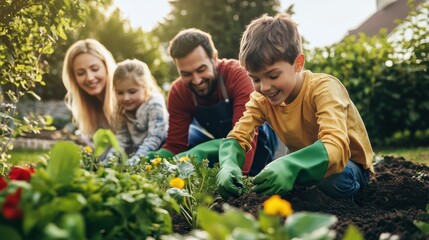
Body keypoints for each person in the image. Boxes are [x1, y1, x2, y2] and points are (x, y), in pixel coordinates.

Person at [216, 13, 374, 200]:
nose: (264, 87)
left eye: (273, 76)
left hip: (348, 168)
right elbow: (240, 134)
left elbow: (336, 146)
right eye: (255, 79)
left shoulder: (323, 88)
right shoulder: (261, 100)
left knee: (330, 180)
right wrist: (228, 164)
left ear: (298, 63)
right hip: (302, 165)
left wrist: (289, 165)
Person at [150, 28, 278, 176]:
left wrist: (238, 177)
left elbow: (245, 134)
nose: (196, 80)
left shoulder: (238, 75)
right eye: (186, 74)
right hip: (220, 141)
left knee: (257, 126)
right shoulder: (179, 92)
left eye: (201, 69)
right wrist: (147, 160)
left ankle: (252, 173)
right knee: (191, 134)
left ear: (214, 57)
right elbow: (175, 145)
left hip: (255, 140)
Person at [112, 59, 168, 165]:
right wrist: (108, 161)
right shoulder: (122, 109)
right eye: (120, 92)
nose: (126, 98)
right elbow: (121, 140)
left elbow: (155, 137)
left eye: (132, 92)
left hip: (161, 149)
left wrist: (135, 161)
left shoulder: (154, 103)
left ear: (145, 88)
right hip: (140, 154)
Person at [62, 39, 117, 144]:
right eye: (81, 73)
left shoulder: (127, 100)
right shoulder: (91, 110)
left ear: (107, 67)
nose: (90, 78)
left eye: (95, 69)